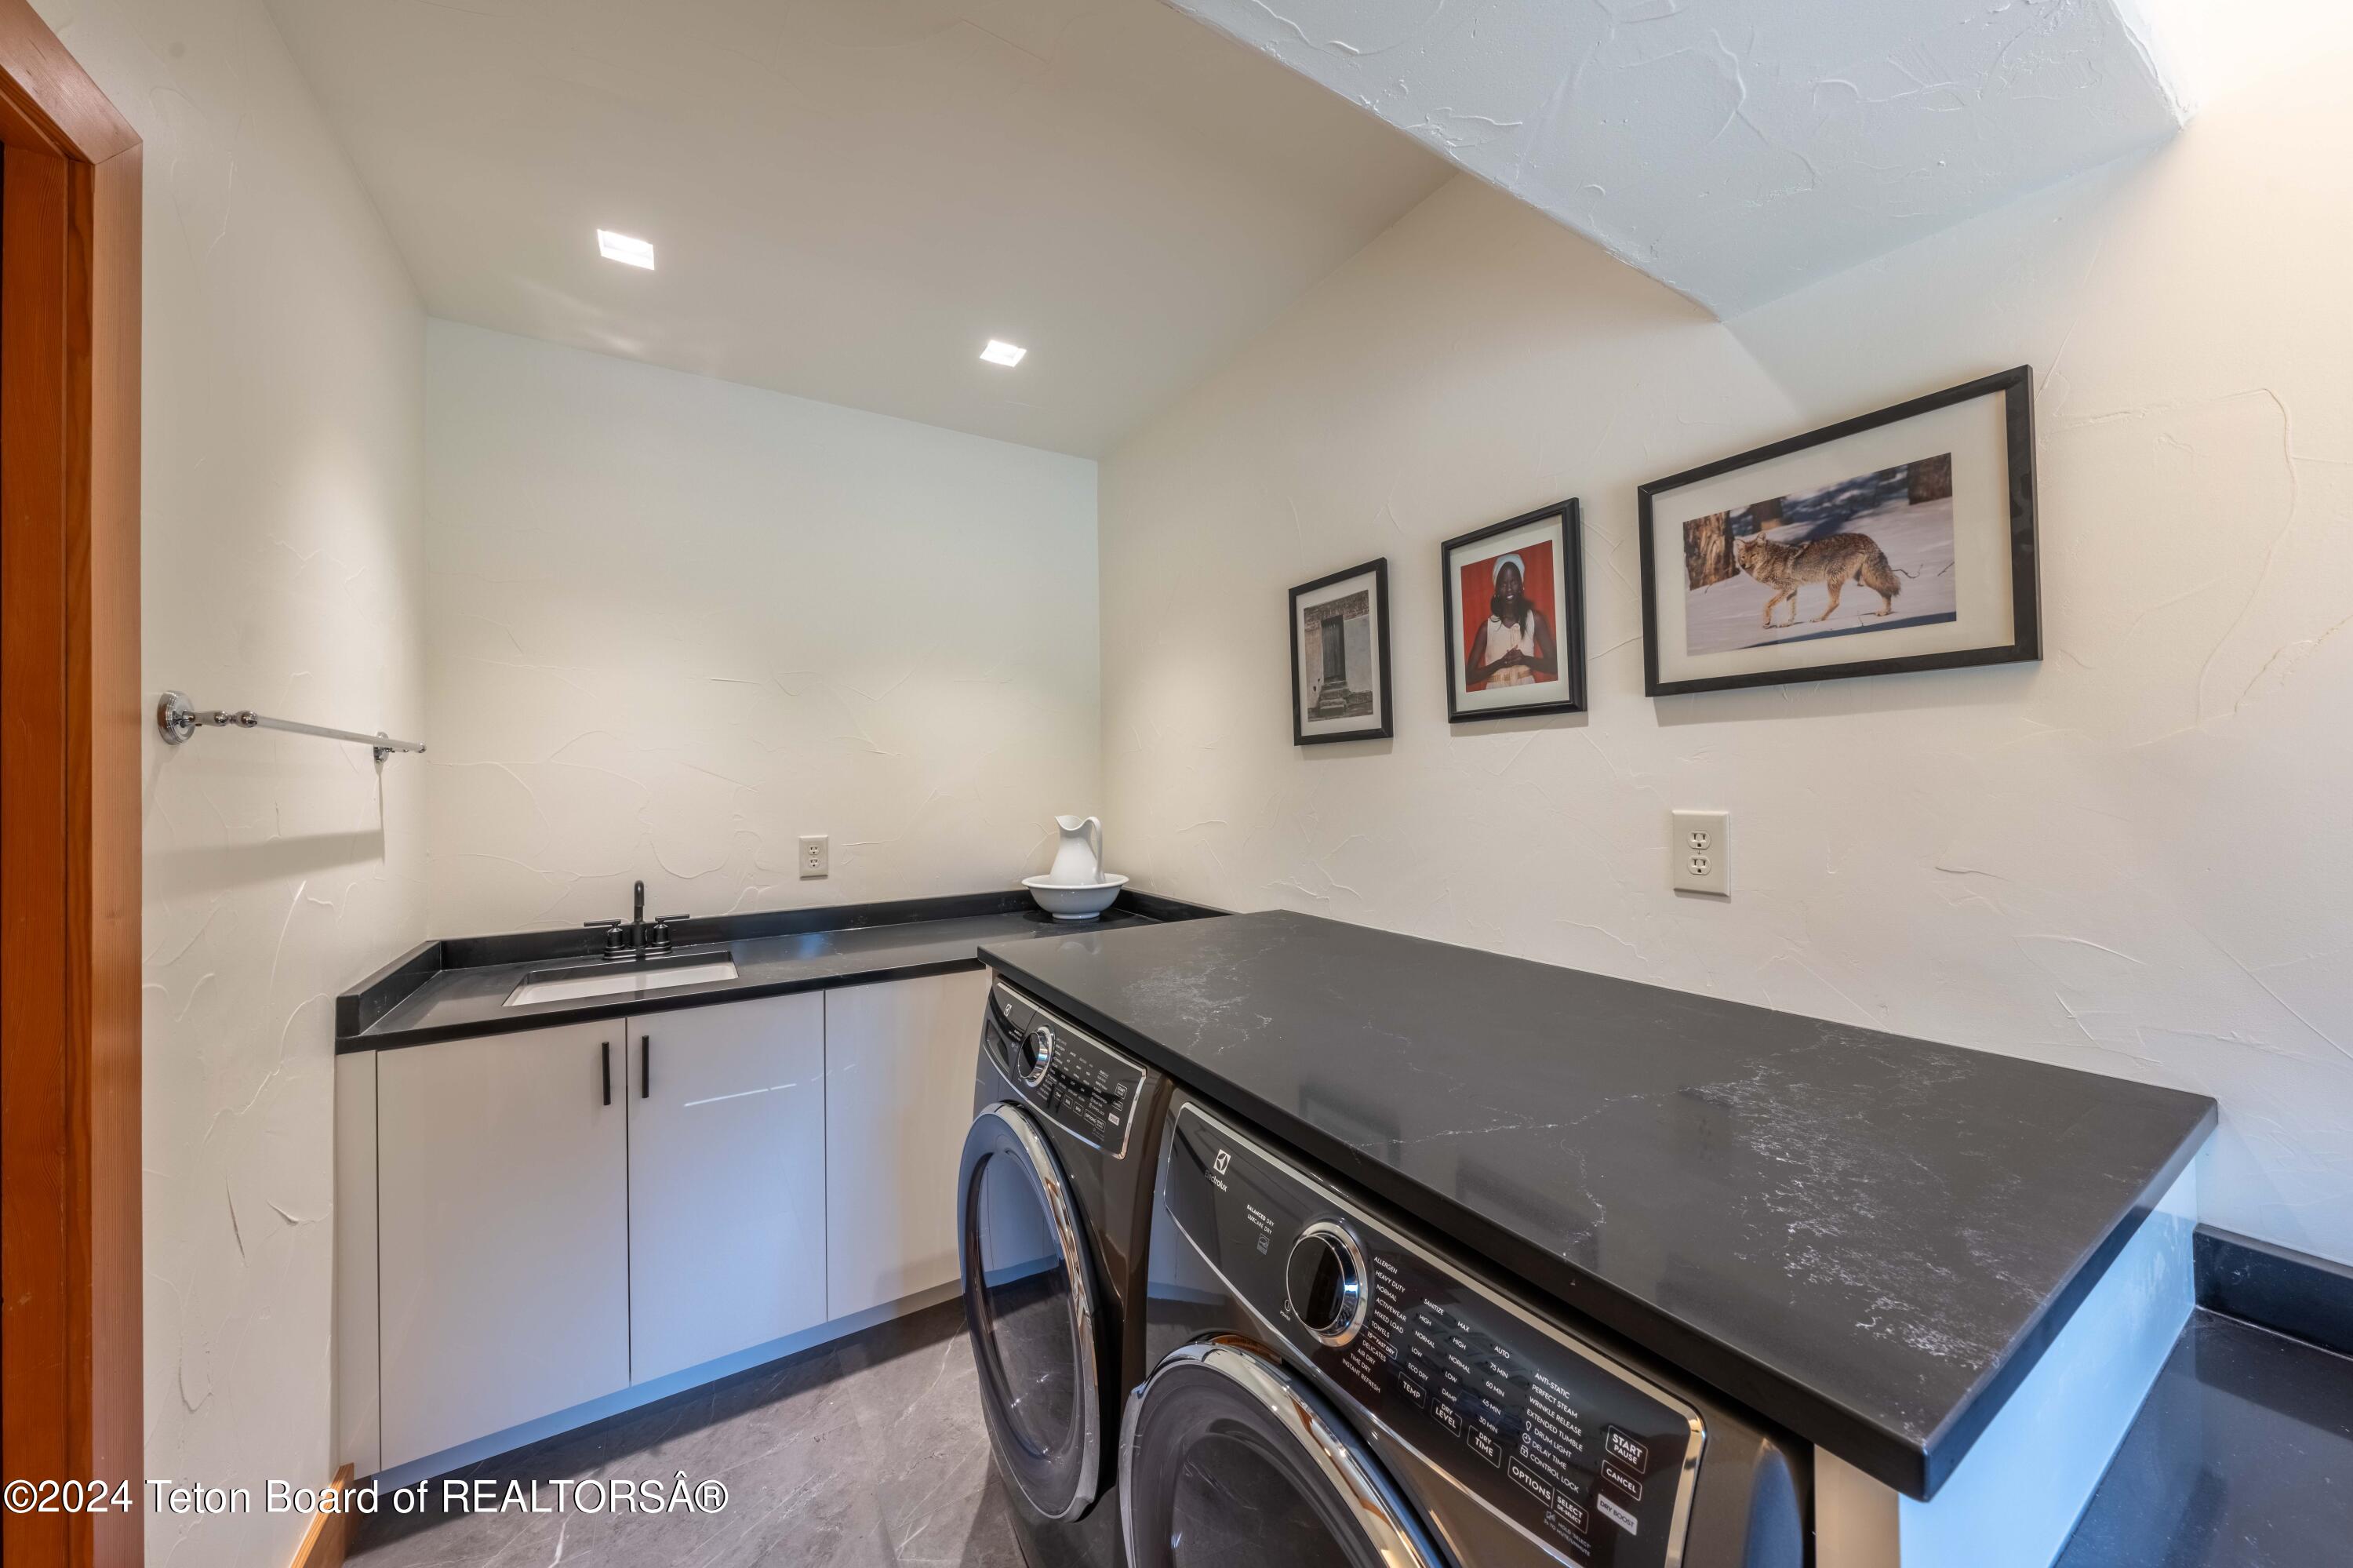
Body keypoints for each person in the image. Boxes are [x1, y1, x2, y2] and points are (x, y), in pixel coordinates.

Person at [1467, 553, 1557, 689]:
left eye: (1514, 582)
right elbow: (1469, 677)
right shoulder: (1487, 628)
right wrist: (1500, 664)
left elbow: (1554, 666)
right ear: (1496, 590)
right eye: (1503, 584)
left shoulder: (1535, 620)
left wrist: (1525, 660)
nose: (1509, 589)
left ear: (1521, 585)